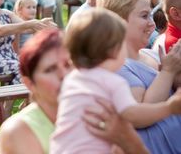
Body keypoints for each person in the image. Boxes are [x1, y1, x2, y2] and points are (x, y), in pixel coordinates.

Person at [0, 28, 148, 154]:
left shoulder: (96, 113)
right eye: (50, 69)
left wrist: (127, 138)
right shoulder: (19, 130)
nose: (64, 75)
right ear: (30, 84)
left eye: (68, 65)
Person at [51, 8, 181, 153]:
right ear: (114, 51)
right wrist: (169, 108)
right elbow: (134, 115)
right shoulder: (111, 82)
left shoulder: (72, 80)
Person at [97, 0, 181, 153]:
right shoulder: (116, 66)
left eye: (151, 15)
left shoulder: (149, 55)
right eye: (144, 16)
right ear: (118, 22)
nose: (152, 24)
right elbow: (138, 114)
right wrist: (168, 71)